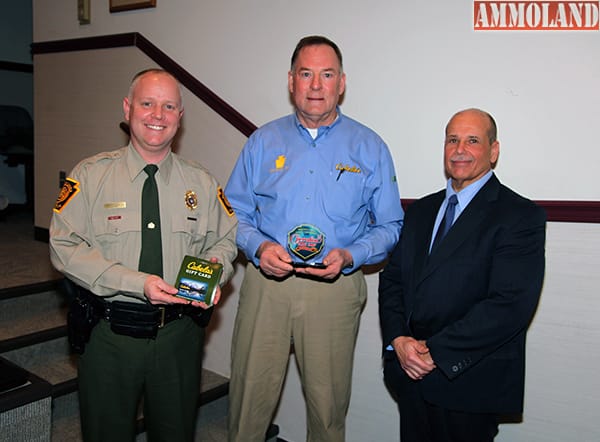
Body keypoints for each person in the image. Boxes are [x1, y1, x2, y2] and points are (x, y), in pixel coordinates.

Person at [225, 35, 404, 442]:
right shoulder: (261, 142)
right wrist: (258, 247)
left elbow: (391, 226)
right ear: (291, 81)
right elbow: (233, 212)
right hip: (266, 286)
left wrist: (352, 255)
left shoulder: (370, 147)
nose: (316, 85)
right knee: (247, 403)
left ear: (342, 83)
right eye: (307, 74)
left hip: (334, 289)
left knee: (327, 410)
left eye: (327, 75)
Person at [49, 69, 238, 442]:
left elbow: (225, 239)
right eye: (147, 103)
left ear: (180, 117)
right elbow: (63, 245)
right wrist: (137, 283)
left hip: (180, 337)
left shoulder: (201, 182)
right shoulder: (88, 176)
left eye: (169, 106)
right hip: (110, 336)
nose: (158, 114)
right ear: (127, 108)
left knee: (175, 433)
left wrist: (216, 270)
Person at [378, 108, 546, 442]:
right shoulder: (420, 211)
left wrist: (434, 352)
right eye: (452, 139)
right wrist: (398, 340)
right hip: (410, 377)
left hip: (468, 382)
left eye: (472, 140)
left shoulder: (520, 216)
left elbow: (510, 305)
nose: (459, 149)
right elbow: (392, 281)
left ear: (493, 151)